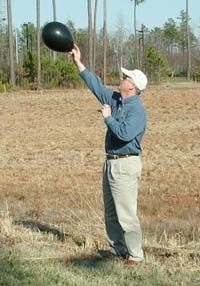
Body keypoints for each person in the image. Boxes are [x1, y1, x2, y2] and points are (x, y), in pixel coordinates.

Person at [69, 44, 147, 266]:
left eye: (126, 77)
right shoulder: (115, 99)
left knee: (126, 214)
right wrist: (78, 61)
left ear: (132, 86)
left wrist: (107, 118)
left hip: (125, 164)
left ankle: (135, 255)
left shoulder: (137, 110)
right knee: (111, 213)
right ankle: (117, 249)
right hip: (111, 163)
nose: (122, 78)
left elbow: (124, 134)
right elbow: (95, 85)